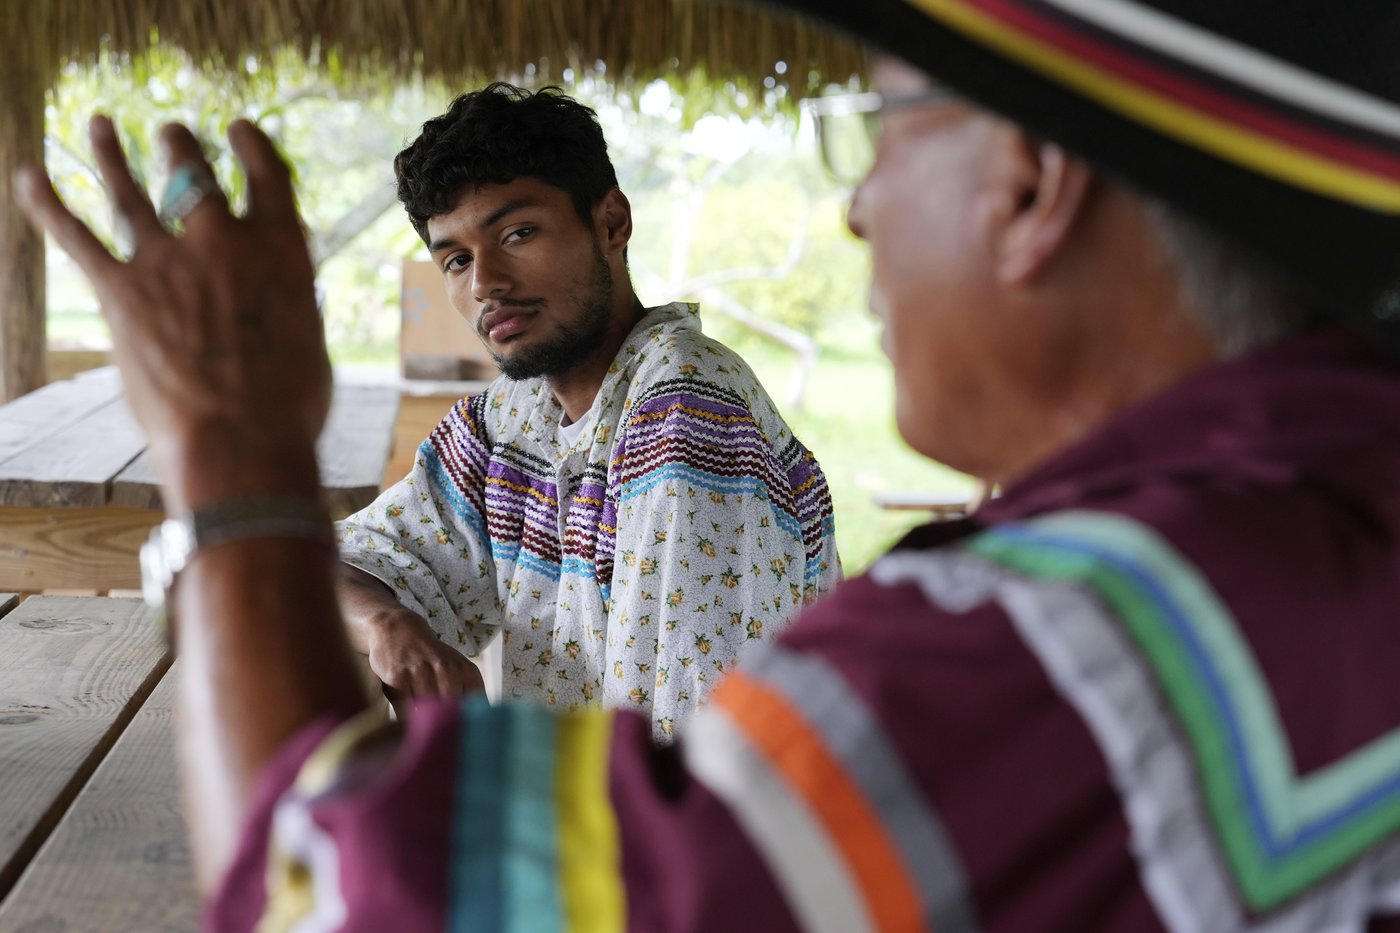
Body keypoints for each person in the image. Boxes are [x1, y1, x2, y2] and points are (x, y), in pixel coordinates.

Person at [16, 0, 1400, 928]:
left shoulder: (1038, 631)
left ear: (1033, 179)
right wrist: (369, 602)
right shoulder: (1318, 504)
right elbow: (370, 559)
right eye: (456, 255)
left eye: (876, 131)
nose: (853, 206)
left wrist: (230, 459)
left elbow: (357, 888)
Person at [334, 83, 840, 738]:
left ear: (612, 223)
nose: (485, 281)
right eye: (456, 259)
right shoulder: (510, 419)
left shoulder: (688, 417)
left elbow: (697, 758)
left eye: (518, 233)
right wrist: (387, 624)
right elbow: (322, 568)